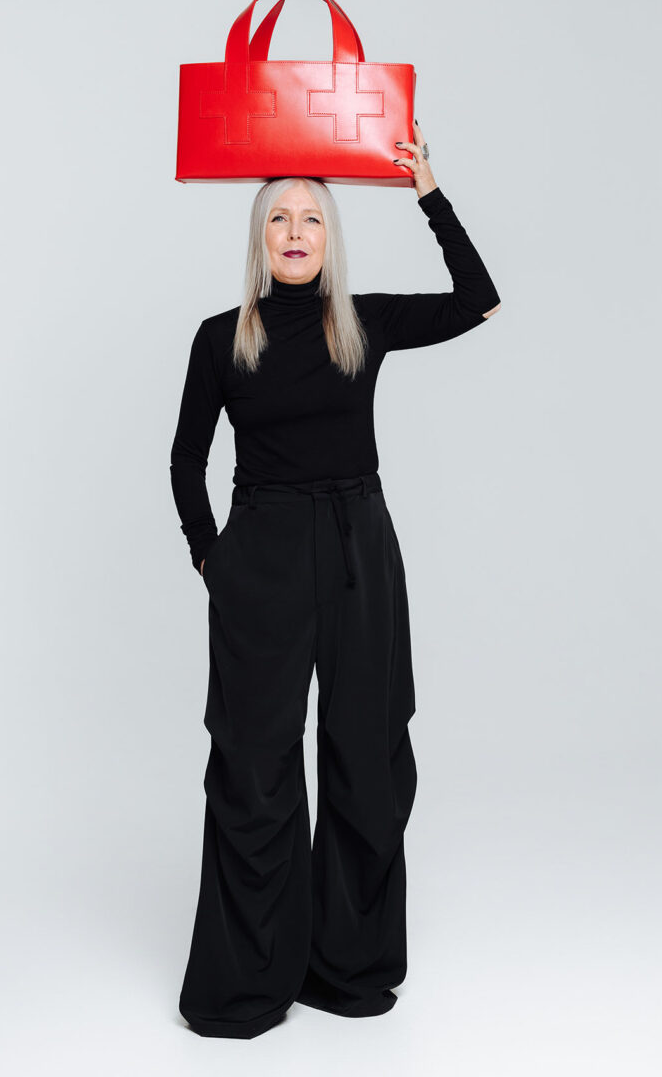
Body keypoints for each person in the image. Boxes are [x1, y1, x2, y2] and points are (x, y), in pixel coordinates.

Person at [169, 120, 501, 1039]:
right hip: (264, 552)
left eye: (311, 217)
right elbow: (185, 462)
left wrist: (429, 189)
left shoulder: (364, 322)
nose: (295, 231)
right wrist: (214, 558)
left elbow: (480, 299)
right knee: (253, 768)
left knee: (366, 753)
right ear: (260, 238)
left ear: (329, 237)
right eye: (279, 216)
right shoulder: (217, 338)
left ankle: (345, 966)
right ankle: (246, 984)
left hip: (359, 547)